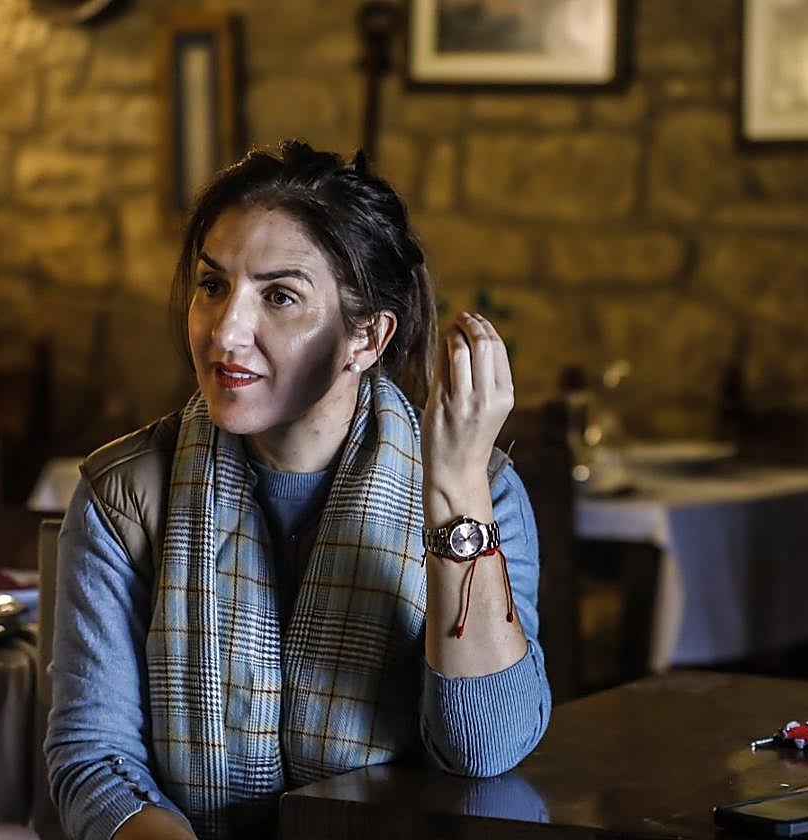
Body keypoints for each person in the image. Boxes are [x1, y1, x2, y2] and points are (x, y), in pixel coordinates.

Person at [45, 141, 552, 840]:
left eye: (279, 296)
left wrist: (456, 486)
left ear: (366, 337)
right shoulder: (125, 494)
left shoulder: (485, 492)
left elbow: (484, 750)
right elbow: (94, 761)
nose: (226, 332)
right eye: (213, 285)